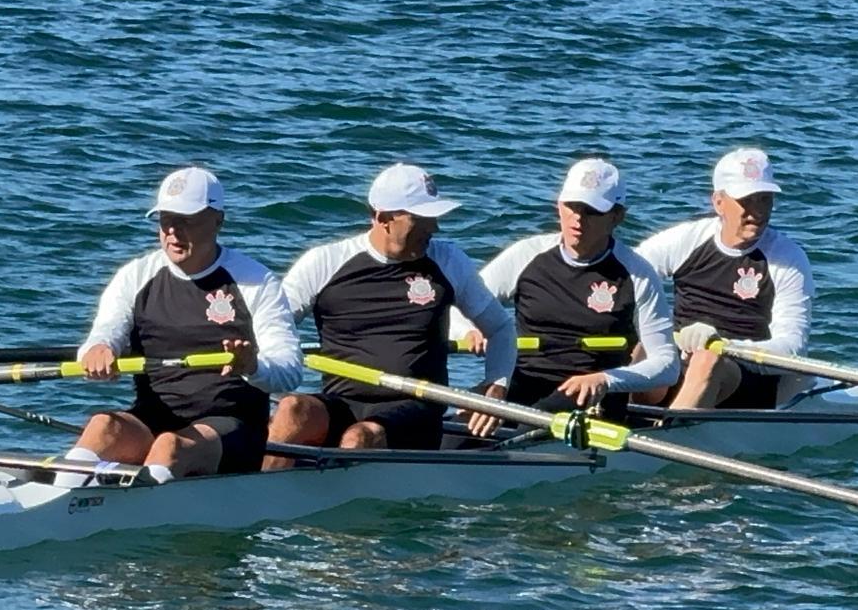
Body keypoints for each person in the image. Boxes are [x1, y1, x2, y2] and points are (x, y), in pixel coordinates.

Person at [54, 166, 302, 487]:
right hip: (154, 417)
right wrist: (98, 349)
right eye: (165, 220)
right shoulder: (136, 275)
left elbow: (289, 370)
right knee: (103, 425)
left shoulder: (256, 282)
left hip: (232, 427)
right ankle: (60, 494)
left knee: (170, 446)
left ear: (218, 220)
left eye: (185, 220)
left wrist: (252, 366)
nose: (172, 232)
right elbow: (105, 331)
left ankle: (133, 502)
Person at [263, 162, 516, 467]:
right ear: (383, 218)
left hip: (417, 408)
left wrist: (495, 389)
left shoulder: (447, 260)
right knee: (292, 409)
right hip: (343, 401)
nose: (433, 228)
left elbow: (501, 328)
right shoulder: (324, 263)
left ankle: (338, 487)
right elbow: (271, 327)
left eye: (434, 217)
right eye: (420, 219)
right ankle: (264, 489)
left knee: (360, 437)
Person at [450, 158, 679, 420]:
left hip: (590, 396)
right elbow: (457, 306)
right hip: (522, 383)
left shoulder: (638, 274)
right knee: (457, 430)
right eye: (571, 206)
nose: (578, 218)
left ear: (617, 216)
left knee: (528, 426)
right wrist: (467, 330)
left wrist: (607, 379)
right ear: (558, 206)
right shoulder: (526, 255)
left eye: (591, 210)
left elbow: (666, 364)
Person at [634, 147, 813, 409]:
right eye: (747, 200)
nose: (757, 211)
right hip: (681, 360)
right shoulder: (686, 240)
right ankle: (616, 416)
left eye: (764, 199)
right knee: (639, 346)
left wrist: (724, 346)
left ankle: (666, 429)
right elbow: (625, 278)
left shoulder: (788, 259)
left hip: (747, 375)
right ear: (718, 202)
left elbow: (793, 347)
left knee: (707, 360)